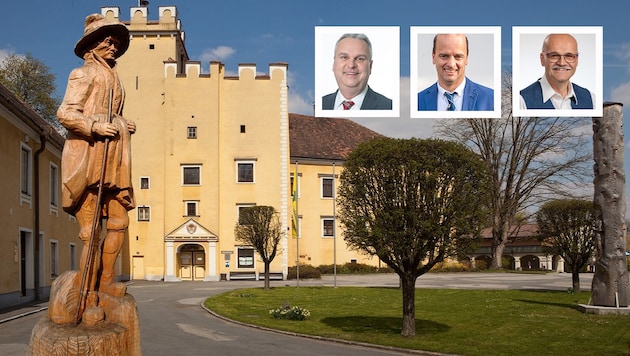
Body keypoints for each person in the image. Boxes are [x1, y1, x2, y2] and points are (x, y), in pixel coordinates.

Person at [57, 14, 135, 300]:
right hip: (89, 156)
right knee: (91, 232)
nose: (113, 47)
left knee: (119, 223)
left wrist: (123, 122)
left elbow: (112, 113)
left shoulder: (115, 77)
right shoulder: (83, 73)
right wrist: (94, 126)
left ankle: (106, 281)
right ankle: (85, 293)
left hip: (114, 156)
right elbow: (65, 113)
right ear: (92, 45)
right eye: (107, 41)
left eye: (115, 43)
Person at [417, 33, 494, 111]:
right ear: (433, 57)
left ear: (466, 58)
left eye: (458, 57)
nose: (451, 64)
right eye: (444, 56)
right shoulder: (418, 101)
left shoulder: (491, 99)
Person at [520, 33, 593, 110]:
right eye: (554, 56)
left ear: (577, 60)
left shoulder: (591, 99)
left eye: (569, 56)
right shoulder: (521, 101)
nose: (562, 63)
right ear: (542, 59)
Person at [322, 33, 392, 110]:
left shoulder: (388, 106)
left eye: (360, 59)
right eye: (344, 57)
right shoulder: (321, 104)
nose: (351, 65)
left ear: (370, 66)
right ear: (333, 64)